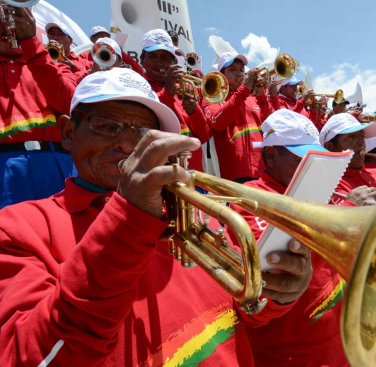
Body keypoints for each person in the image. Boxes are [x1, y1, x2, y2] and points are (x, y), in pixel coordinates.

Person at [0, 68, 314, 366]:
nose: (126, 143)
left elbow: (248, 311)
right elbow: (31, 358)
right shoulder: (18, 228)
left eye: (143, 134)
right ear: (68, 133)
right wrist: (128, 217)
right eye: (107, 126)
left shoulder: (197, 214)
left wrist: (277, 294)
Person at [231, 109, 376, 366]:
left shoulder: (314, 191)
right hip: (294, 355)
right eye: (302, 158)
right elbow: (276, 261)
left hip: (342, 345)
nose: (312, 167)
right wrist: (349, 213)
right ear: (272, 154)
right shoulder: (250, 197)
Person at [0, 6, 77, 208]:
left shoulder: (55, 64)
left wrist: (32, 46)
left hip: (57, 161)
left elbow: (71, 106)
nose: (8, 30)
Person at [140, 29, 209, 171]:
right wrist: (168, 93)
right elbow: (148, 123)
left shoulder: (184, 87)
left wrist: (194, 111)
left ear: (173, 63)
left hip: (193, 172)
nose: (158, 63)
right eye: (152, 56)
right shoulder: (138, 86)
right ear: (142, 61)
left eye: (165, 58)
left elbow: (203, 136)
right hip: (160, 172)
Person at [202, 52, 274, 182]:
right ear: (221, 75)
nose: (239, 73)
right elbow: (217, 123)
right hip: (234, 174)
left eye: (241, 70)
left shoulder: (252, 97)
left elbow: (272, 126)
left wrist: (262, 96)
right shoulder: (213, 97)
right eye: (232, 69)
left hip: (263, 170)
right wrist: (244, 90)